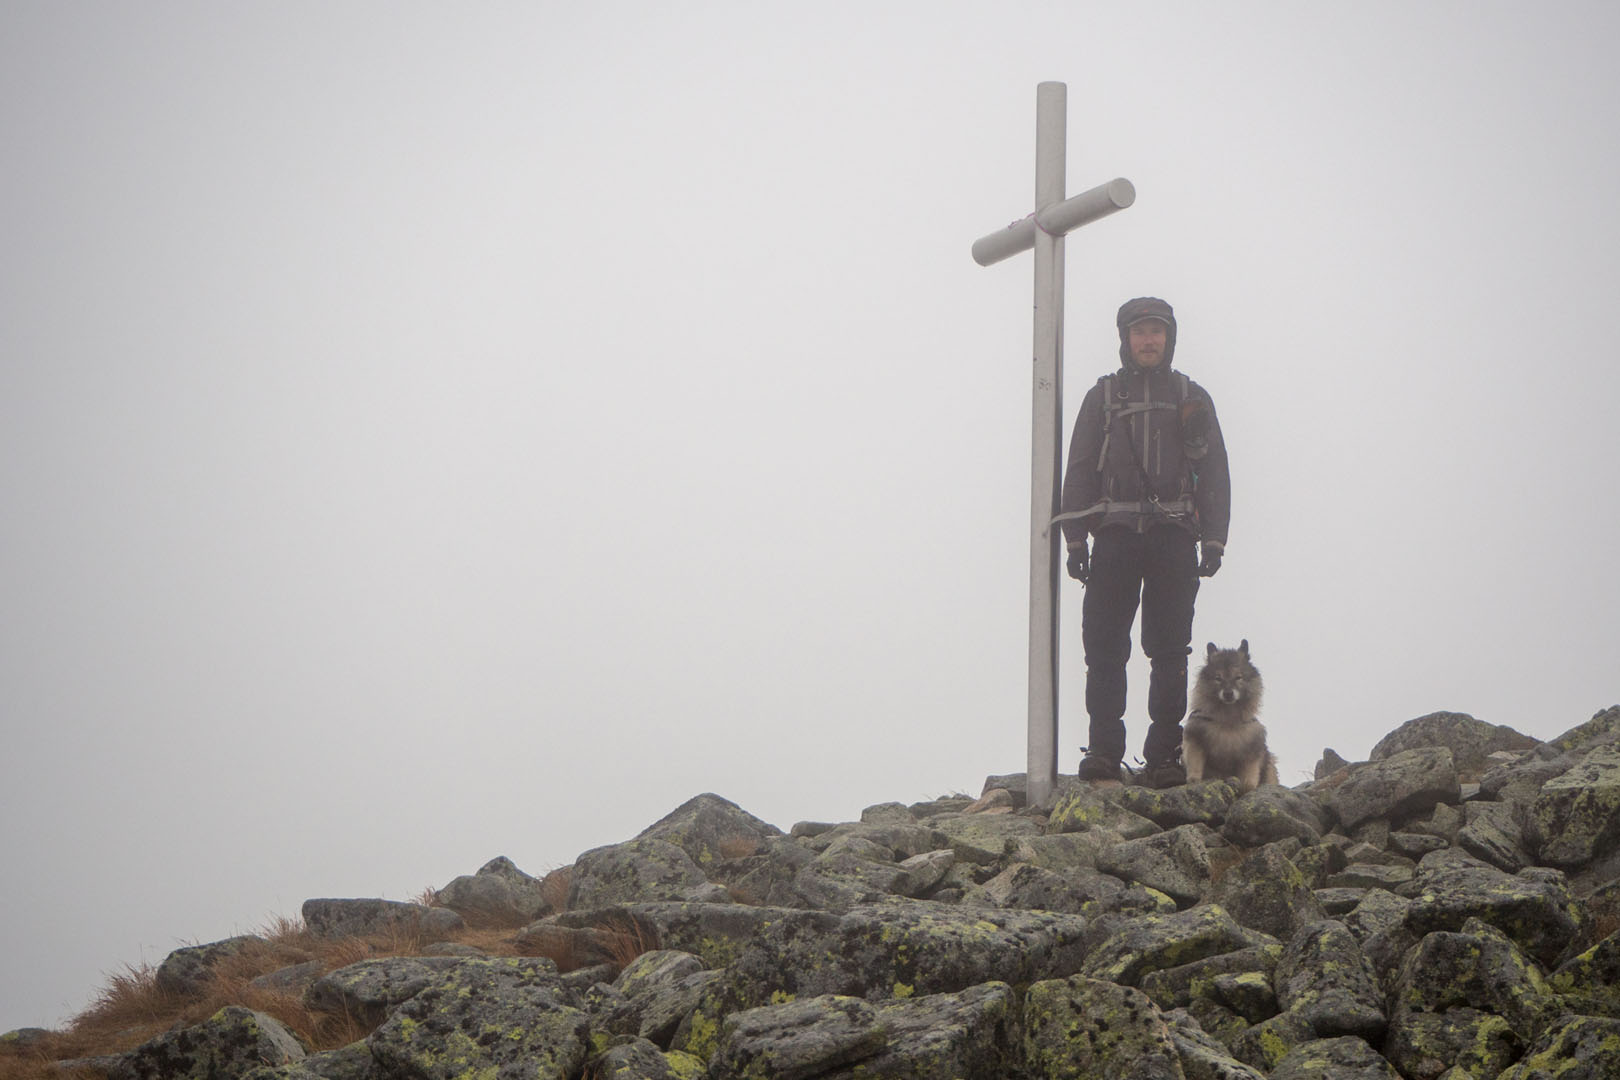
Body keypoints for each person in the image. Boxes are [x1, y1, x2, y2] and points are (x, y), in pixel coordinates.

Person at [1057, 296, 1230, 787]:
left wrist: (1214, 540)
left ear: (1169, 338)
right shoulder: (1104, 397)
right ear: (1125, 339)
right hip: (1113, 537)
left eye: (1157, 331)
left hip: (1174, 538)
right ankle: (1105, 754)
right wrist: (1075, 541)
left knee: (1170, 650)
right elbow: (1079, 468)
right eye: (1140, 332)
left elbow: (1214, 470)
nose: (1149, 340)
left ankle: (1163, 757)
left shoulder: (1191, 397)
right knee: (1105, 650)